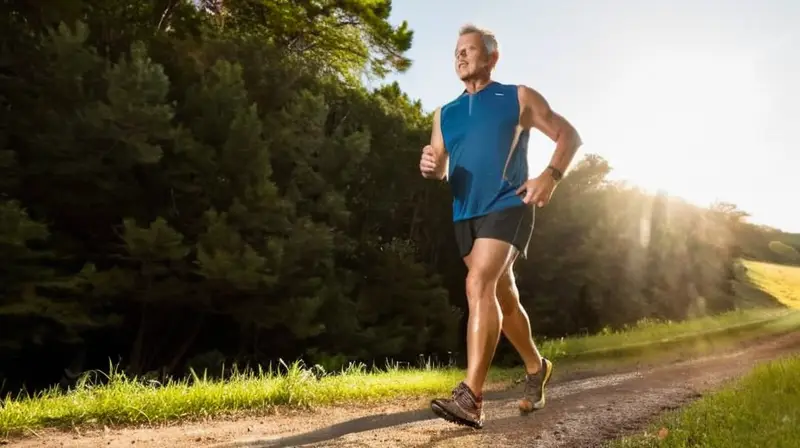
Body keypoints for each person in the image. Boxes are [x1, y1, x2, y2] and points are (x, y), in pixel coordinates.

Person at [419, 24, 582, 429]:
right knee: (503, 297)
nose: (461, 56)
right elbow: (440, 166)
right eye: (457, 50)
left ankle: (471, 397)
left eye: (470, 49)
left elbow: (569, 135)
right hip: (465, 215)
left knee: (478, 285)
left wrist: (549, 176)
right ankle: (535, 366)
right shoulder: (444, 114)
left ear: (492, 57)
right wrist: (432, 167)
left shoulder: (517, 97)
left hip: (510, 203)